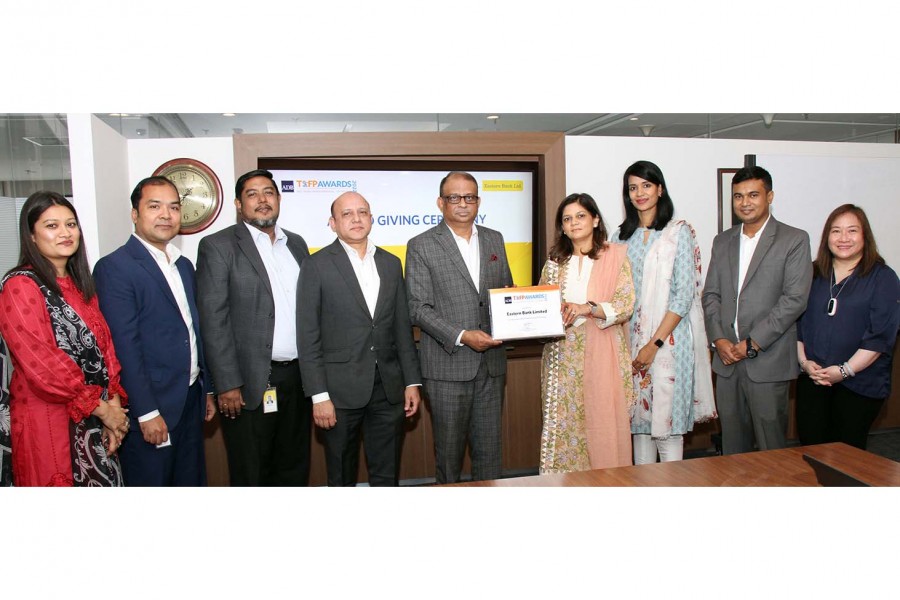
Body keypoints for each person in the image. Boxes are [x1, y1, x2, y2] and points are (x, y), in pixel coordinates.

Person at [0, 191, 130, 486]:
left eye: (70, 224)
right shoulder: (20, 285)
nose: (65, 233)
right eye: (51, 226)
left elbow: (105, 349)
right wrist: (104, 412)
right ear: (31, 235)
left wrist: (113, 408)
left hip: (95, 417)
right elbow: (43, 365)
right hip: (48, 418)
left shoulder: (80, 285)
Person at [93, 176, 216, 486]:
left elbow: (193, 332)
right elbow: (124, 346)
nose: (166, 215)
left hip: (189, 400)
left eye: (173, 207)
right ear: (135, 214)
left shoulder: (183, 265)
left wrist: (207, 389)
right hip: (152, 406)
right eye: (155, 206)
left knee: (190, 484)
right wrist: (146, 412)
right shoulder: (116, 267)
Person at [297, 191, 422, 486]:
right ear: (332, 223)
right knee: (341, 474)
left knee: (386, 472)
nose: (356, 219)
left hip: (388, 389)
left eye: (362, 212)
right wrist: (319, 395)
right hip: (338, 393)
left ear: (371, 218)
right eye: (347, 214)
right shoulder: (316, 266)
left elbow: (401, 329)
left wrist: (411, 381)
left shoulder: (391, 264)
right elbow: (308, 335)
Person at [197, 169, 312, 486]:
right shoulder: (218, 246)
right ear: (238, 203)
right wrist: (227, 383)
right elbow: (213, 318)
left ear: (278, 198)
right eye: (252, 194)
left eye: (269, 192)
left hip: (298, 379)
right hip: (249, 383)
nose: (263, 200)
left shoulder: (297, 245)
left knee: (293, 465)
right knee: (252, 471)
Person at [406, 171, 513, 484]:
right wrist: (463, 336)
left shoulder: (495, 238)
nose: (463, 204)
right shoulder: (421, 245)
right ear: (441, 202)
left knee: (490, 455)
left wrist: (519, 307)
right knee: (449, 459)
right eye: (455, 197)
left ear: (478, 201)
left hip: (492, 366)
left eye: (470, 197)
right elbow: (417, 307)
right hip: (447, 367)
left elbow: (504, 290)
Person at [702, 166, 813, 454]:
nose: (745, 202)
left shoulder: (794, 239)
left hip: (768, 361)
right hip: (726, 361)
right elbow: (711, 294)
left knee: (771, 449)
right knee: (733, 449)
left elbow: (794, 300)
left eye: (753, 195)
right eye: (738, 196)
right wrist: (719, 340)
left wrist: (751, 343)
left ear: (769, 196)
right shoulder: (722, 241)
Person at [611, 161, 716, 464]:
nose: (639, 193)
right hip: (629, 340)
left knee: (667, 430)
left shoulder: (678, 233)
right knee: (639, 427)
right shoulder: (620, 238)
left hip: (669, 343)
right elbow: (616, 293)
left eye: (646, 185)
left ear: (660, 189)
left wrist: (653, 344)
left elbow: (683, 297)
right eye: (633, 187)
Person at [539, 193, 635, 472]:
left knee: (602, 423)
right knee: (565, 426)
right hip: (562, 358)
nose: (573, 223)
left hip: (602, 355)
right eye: (567, 219)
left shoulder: (614, 257)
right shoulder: (554, 262)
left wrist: (586, 308)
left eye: (580, 216)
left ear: (594, 219)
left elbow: (625, 304)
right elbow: (543, 306)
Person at [796, 204, 900, 450]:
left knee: (847, 456)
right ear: (827, 236)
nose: (844, 238)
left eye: (852, 231)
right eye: (836, 231)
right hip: (814, 379)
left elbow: (880, 337)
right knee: (811, 452)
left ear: (865, 236)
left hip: (860, 383)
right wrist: (804, 363)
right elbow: (797, 324)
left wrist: (844, 371)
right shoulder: (811, 273)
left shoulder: (883, 278)